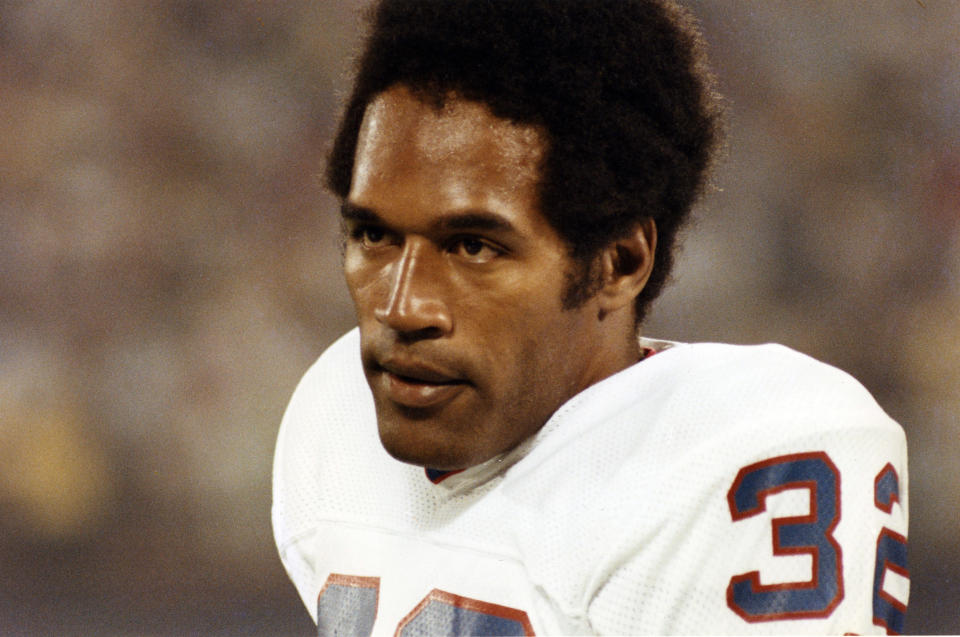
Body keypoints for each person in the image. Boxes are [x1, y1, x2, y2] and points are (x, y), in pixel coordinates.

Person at [272, 0, 909, 634]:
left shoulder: (743, 453)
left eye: (473, 246)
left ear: (619, 262)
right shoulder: (337, 420)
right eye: (373, 235)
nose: (401, 306)